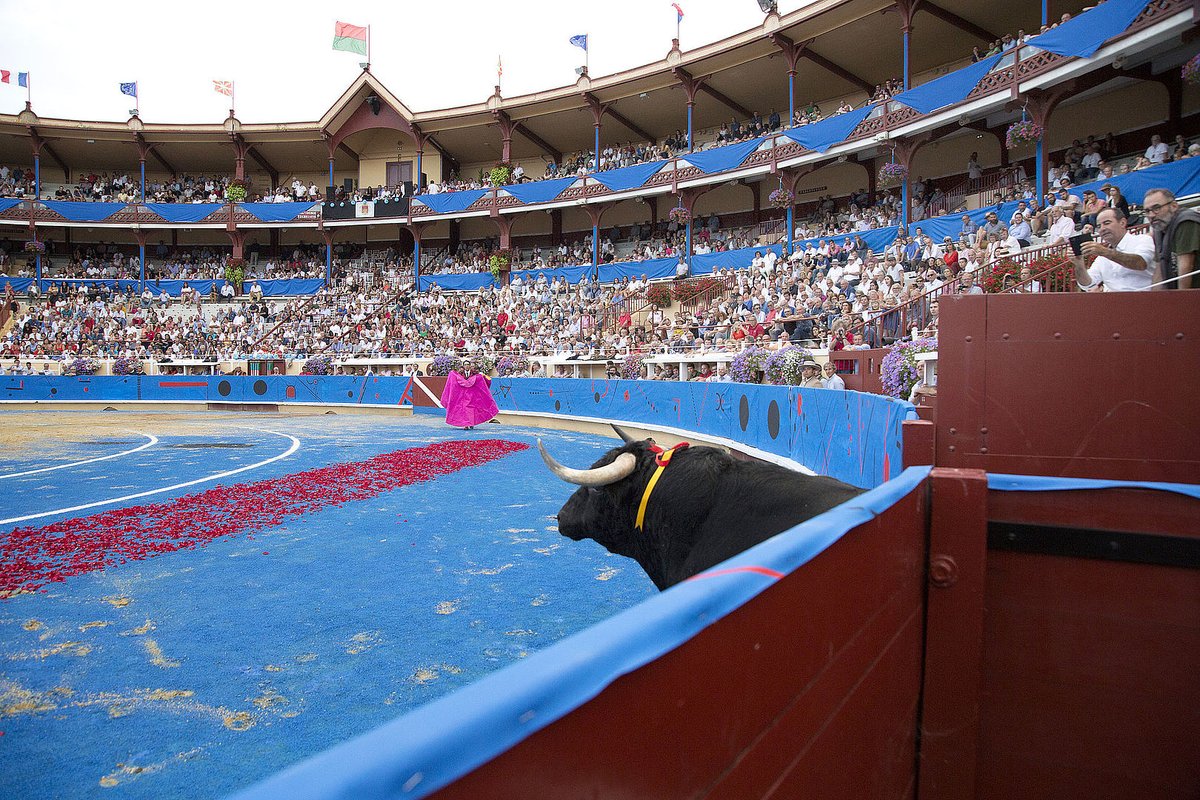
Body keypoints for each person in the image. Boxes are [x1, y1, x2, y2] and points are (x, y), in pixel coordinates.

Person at [1072, 207, 1155, 292]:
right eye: (1099, 226)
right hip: (1113, 302)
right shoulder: (1102, 257)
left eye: (1107, 223)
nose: (1102, 229)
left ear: (1123, 223)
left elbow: (1141, 263)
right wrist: (1079, 264)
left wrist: (1105, 252)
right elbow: (1087, 284)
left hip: (1144, 300)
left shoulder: (1142, 240)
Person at [1143, 187, 1199, 290]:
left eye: (1157, 208)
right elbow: (1159, 271)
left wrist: (1180, 303)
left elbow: (1185, 270)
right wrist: (1153, 301)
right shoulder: (1159, 229)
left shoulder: (1185, 222)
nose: (1151, 215)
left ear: (1174, 206)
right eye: (1147, 211)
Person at [440, 364, 499, 429]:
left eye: (468, 365)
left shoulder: (474, 373)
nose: (467, 366)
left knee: (471, 410)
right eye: (465, 365)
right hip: (463, 395)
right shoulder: (461, 373)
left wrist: (482, 376)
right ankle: (466, 425)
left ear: (470, 366)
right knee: (466, 410)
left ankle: (471, 423)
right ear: (463, 366)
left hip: (472, 395)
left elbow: (484, 380)